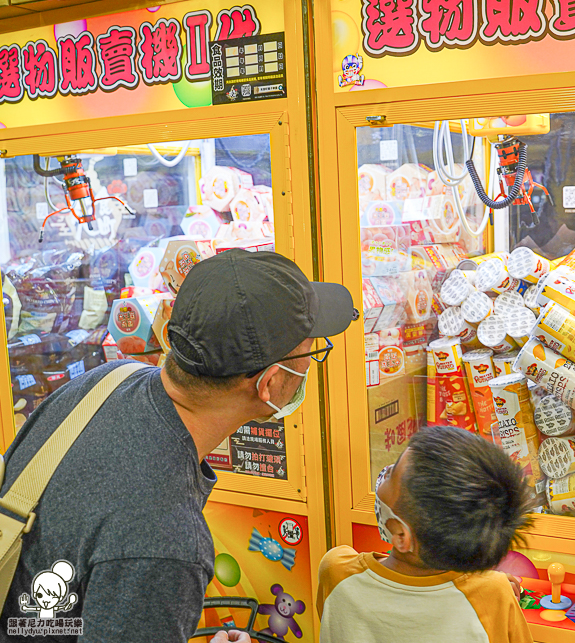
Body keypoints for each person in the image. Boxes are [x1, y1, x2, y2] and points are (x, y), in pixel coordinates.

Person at [0, 250, 356, 642]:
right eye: (310, 353)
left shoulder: (107, 380)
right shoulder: (168, 543)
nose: (308, 368)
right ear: (269, 383)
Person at [317, 426, 535, 643]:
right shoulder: (494, 593)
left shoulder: (337, 571)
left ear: (402, 537)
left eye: (391, 476)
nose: (385, 471)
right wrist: (484, 582)